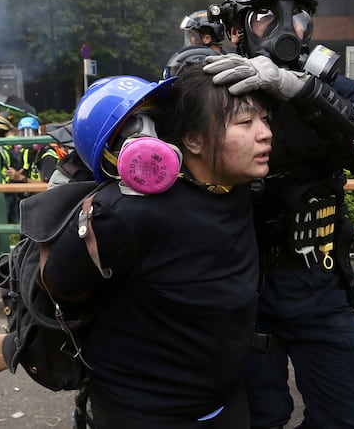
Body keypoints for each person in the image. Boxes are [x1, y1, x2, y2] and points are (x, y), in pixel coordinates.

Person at [203, 0, 354, 429]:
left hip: (318, 282)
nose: (287, 29)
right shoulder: (215, 89)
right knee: (254, 417)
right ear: (235, 29)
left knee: (347, 416)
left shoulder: (331, 87)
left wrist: (304, 91)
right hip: (239, 288)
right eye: (265, 17)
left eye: (299, 17)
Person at [40, 67, 273, 428]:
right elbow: (60, 283)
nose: (265, 133)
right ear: (192, 140)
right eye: (245, 123)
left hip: (225, 404)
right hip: (143, 413)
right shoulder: (124, 214)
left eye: (265, 119)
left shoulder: (238, 188)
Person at [7, 116, 60, 184]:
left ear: (38, 134)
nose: (26, 137)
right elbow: (25, 169)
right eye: (22, 133)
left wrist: (21, 178)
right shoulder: (27, 152)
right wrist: (14, 174)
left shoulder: (48, 156)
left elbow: (47, 186)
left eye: (30, 133)